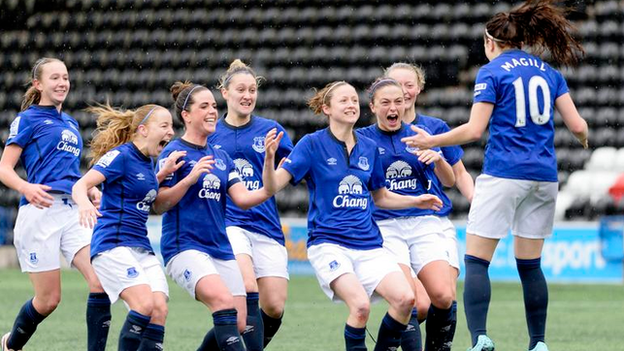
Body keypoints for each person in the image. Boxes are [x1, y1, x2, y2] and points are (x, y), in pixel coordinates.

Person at [401, 1, 588, 350]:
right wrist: (584, 138)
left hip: (504, 172)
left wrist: (433, 140)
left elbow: (474, 130)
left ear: (490, 43)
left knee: (476, 261)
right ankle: (539, 343)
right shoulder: (549, 73)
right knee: (531, 265)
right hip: (544, 177)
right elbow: (577, 125)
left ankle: (481, 338)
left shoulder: (493, 71)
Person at [262, 81, 443, 351]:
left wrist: (416, 200)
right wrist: (268, 159)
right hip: (329, 244)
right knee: (360, 306)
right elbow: (272, 186)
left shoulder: (369, 147)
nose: (351, 105)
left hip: (369, 244)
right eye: (343, 101)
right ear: (327, 108)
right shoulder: (311, 144)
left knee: (407, 299)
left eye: (354, 101)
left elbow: (380, 197)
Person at [153, 81, 280, 351]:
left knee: (241, 320)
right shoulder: (174, 152)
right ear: (186, 115)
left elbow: (246, 199)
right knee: (223, 303)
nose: (212, 111)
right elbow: (159, 205)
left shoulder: (221, 156)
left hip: (220, 248)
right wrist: (188, 180)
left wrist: (269, 163)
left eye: (213, 105)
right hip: (185, 247)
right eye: (204, 106)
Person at [0, 57, 111, 351]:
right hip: (40, 213)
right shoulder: (27, 119)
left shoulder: (70, 122)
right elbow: (4, 168)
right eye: (54, 78)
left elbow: (68, 172)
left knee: (101, 281)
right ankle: (11, 344)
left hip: (73, 212)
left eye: (65, 77)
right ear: (38, 84)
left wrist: (88, 188)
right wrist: (26, 187)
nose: (62, 83)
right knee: (49, 301)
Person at [357, 77, 458, 351]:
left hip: (424, 223)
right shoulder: (362, 139)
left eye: (398, 102)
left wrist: (437, 159)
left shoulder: (420, 134)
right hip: (385, 225)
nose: (393, 108)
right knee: (410, 299)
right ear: (373, 106)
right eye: (386, 103)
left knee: (443, 296)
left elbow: (448, 181)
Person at [72, 103, 182, 351]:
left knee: (159, 310)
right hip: (113, 244)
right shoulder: (120, 156)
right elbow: (80, 185)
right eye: (164, 126)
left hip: (140, 247)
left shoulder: (148, 162)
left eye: (172, 126)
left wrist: (162, 174)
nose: (171, 132)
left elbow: (139, 188)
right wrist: (84, 204)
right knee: (143, 305)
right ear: (143, 130)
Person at [385, 63, 475, 349]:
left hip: (432, 221)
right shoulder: (368, 135)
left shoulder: (435, 129)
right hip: (389, 223)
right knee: (416, 304)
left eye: (408, 84)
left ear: (419, 88)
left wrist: (478, 203)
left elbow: (456, 175)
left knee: (444, 297)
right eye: (395, 85)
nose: (403, 91)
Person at [207, 59, 294, 348]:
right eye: (241, 89)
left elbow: (295, 167)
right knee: (246, 289)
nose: (247, 96)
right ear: (225, 93)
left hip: (266, 224)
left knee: (274, 306)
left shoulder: (271, 129)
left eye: (252, 90)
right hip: (229, 224)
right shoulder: (211, 134)